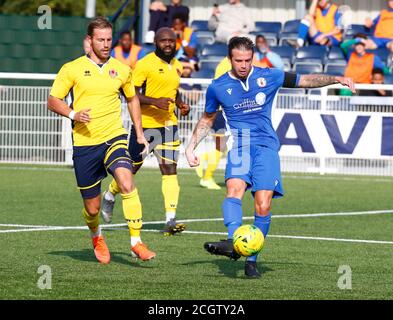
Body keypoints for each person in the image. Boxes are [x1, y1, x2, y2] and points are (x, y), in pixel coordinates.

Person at [185, 36, 355, 278]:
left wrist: (336, 78)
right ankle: (235, 243)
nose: (243, 65)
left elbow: (305, 80)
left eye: (247, 59)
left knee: (263, 205)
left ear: (253, 57)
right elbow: (207, 119)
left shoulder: (270, 76)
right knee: (233, 189)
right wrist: (191, 147)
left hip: (266, 146)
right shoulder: (218, 86)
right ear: (230, 59)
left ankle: (251, 259)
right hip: (241, 142)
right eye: (238, 60)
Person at [47, 17, 156, 264]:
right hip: (85, 145)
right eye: (101, 40)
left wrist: (138, 133)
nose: (106, 44)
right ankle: (96, 235)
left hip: (113, 137)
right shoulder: (72, 68)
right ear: (90, 40)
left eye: (109, 39)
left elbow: (132, 99)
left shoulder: (122, 69)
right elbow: (53, 100)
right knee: (92, 209)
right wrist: (74, 114)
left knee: (127, 181)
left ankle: (136, 242)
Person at [102, 27, 191, 236]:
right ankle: (109, 194)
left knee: (169, 170)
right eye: (163, 41)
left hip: (169, 124)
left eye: (171, 40)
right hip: (146, 126)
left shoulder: (177, 65)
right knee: (130, 170)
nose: (168, 44)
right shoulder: (145, 64)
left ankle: (170, 219)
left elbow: (172, 91)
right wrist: (154, 102)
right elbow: (130, 94)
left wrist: (180, 103)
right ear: (156, 43)